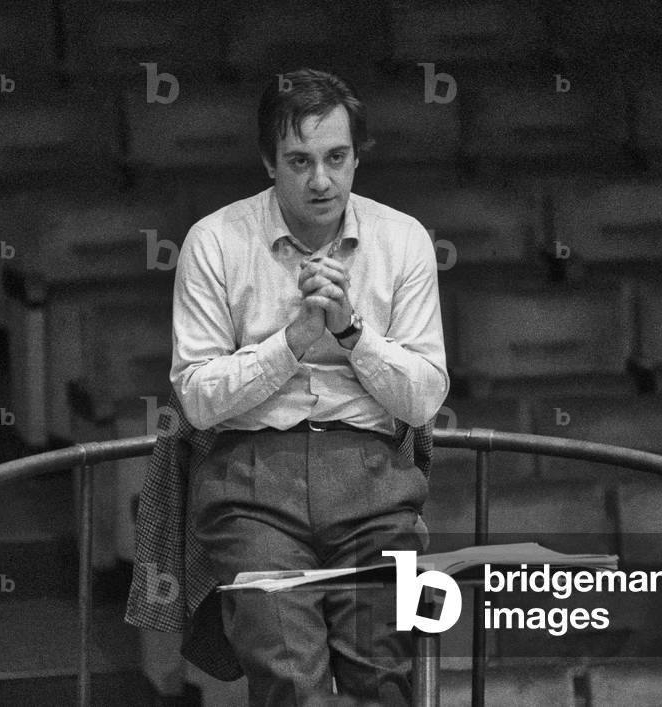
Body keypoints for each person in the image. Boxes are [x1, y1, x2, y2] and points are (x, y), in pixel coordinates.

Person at [126, 67, 448, 706]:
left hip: (373, 479)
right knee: (291, 683)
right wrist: (290, 343)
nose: (321, 180)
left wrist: (352, 333)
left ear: (358, 157)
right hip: (250, 485)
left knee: (383, 684)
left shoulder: (403, 239)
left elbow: (423, 397)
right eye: (300, 161)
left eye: (336, 158)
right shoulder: (214, 242)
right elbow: (195, 396)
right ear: (268, 163)